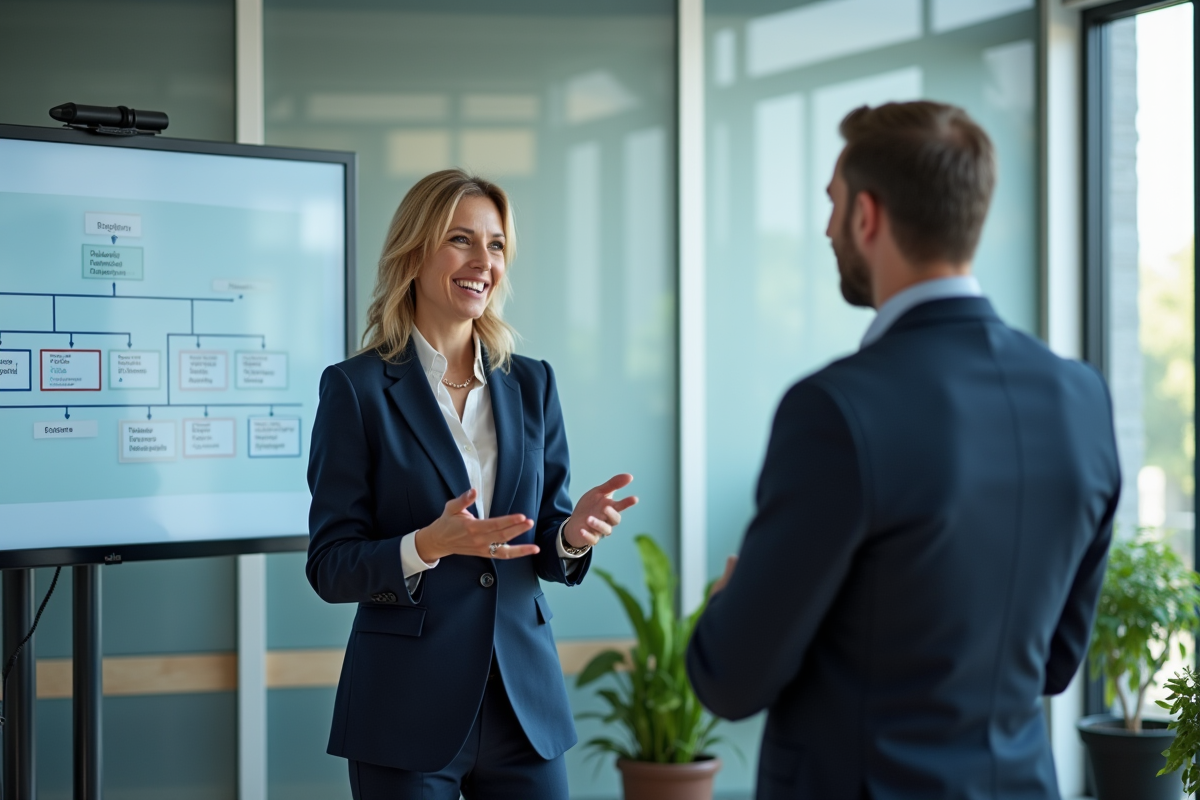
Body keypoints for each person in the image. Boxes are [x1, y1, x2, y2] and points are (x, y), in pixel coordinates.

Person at [686, 102, 1121, 799]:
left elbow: (731, 680)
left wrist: (729, 603)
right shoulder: (1082, 399)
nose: (826, 228)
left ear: (867, 216)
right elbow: (1055, 663)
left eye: (832, 203)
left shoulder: (834, 410)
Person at [306, 169, 638, 800]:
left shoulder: (533, 383)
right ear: (414, 252)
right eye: (461, 239)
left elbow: (544, 539)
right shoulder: (355, 389)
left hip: (524, 705)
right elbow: (329, 567)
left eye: (496, 244)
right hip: (405, 708)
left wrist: (572, 534)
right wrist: (426, 545)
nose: (483, 261)